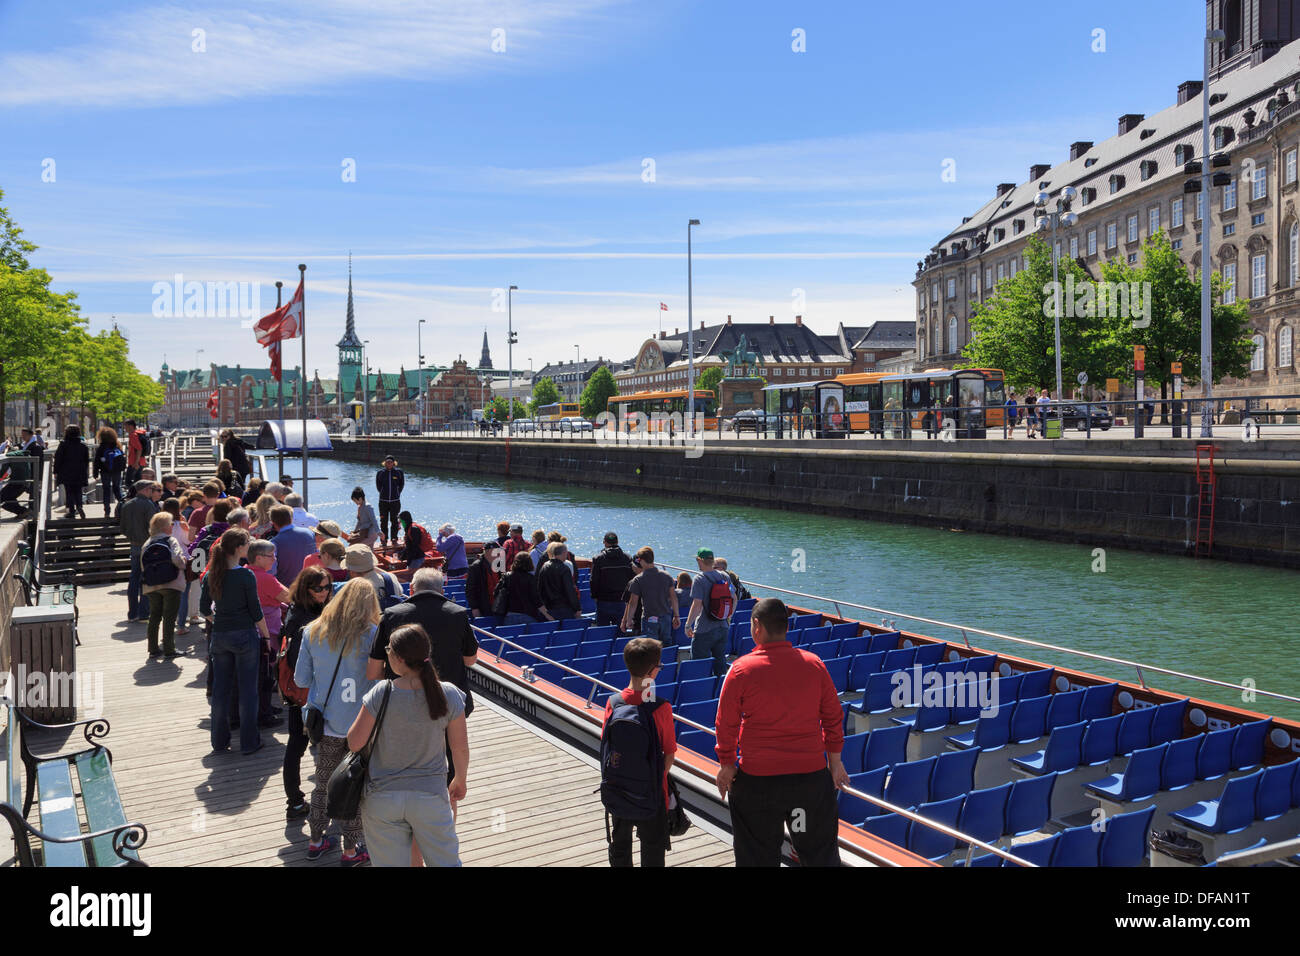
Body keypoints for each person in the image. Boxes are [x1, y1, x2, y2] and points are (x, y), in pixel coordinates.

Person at [714, 597, 846, 867]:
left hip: (758, 783)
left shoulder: (741, 670)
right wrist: (835, 762)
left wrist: (727, 764)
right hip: (809, 783)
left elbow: (725, 724)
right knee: (819, 856)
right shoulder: (814, 665)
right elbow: (833, 717)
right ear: (786, 628)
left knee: (757, 857)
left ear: (756, 626)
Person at [349, 623, 468, 867]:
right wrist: (460, 780)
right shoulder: (449, 693)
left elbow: (354, 742)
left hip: (383, 797)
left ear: (399, 658)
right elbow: (459, 748)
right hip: (431, 796)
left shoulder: (382, 692)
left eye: (388, 649)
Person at [293, 577, 378, 865]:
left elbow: (301, 679)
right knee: (354, 786)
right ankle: (351, 849)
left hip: (326, 723)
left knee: (323, 783)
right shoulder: (373, 634)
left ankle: (316, 840)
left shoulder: (312, 631)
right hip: (361, 726)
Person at [600, 637, 676, 868]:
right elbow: (670, 753)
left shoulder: (613, 703)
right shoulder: (660, 707)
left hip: (618, 789)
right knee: (653, 851)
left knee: (620, 847)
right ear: (652, 672)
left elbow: (605, 743)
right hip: (651, 794)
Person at [201, 528, 274, 756]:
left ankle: (219, 742)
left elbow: (204, 609)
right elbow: (255, 611)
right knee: (247, 690)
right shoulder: (244, 575)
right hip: (244, 635)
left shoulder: (212, 573)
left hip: (220, 635)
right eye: (247, 544)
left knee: (221, 691)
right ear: (239, 548)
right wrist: (267, 636)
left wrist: (220, 619)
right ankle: (249, 742)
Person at [280, 565, 333, 820]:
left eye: (327, 587)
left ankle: (296, 801)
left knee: (299, 747)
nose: (324, 592)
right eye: (318, 588)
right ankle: (297, 802)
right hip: (309, 694)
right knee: (308, 746)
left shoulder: (296, 612)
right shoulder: (306, 621)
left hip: (298, 692)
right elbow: (301, 662)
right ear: (306, 589)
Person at [248, 539, 290, 726]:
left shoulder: (246, 572)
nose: (274, 559)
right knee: (266, 673)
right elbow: (288, 597)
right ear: (258, 558)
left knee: (259, 673)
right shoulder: (265, 578)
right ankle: (264, 713)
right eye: (271, 556)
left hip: (252, 631)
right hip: (267, 631)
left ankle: (262, 708)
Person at [141, 511, 186, 659]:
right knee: (169, 617)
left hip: (151, 585)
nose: (173, 526)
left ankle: (153, 649)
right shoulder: (170, 540)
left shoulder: (147, 543)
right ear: (164, 526)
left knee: (154, 616)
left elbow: (142, 565)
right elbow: (177, 559)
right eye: (171, 523)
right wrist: (184, 564)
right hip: (171, 583)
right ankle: (169, 649)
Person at [685, 547, 731, 677]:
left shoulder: (699, 579)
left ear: (699, 560)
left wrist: (688, 625)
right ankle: (719, 692)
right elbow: (734, 598)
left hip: (704, 629)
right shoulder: (725, 576)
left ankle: (699, 692)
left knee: (699, 666)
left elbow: (697, 605)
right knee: (720, 662)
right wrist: (728, 618)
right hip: (723, 627)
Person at [120, 479, 160, 622]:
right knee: (146, 579)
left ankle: (132, 613)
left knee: (134, 579)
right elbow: (152, 527)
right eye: (150, 489)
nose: (152, 491)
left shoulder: (127, 504)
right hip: (147, 545)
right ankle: (144, 613)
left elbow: (122, 527)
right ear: (144, 489)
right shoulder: (148, 504)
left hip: (133, 544)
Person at [624, 547, 679, 646]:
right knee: (666, 645)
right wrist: (676, 616)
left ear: (642, 561)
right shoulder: (667, 576)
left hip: (649, 619)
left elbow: (633, 603)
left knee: (650, 649)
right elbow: (673, 598)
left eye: (639, 560)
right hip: (666, 618)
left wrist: (629, 620)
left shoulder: (638, 580)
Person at [590, 531, 635, 628]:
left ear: (604, 542)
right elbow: (632, 580)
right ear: (617, 541)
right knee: (621, 630)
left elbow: (594, 580)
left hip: (603, 600)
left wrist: (595, 596)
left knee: (602, 632)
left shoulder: (598, 559)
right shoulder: (627, 558)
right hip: (621, 601)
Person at [497, 552, 552, 626]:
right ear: (529, 563)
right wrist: (549, 616)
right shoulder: (531, 579)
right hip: (528, 616)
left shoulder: (506, 577)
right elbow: (537, 600)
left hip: (510, 615)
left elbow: (496, 593)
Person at [270, 504, 315, 587]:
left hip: (288, 589)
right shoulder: (309, 533)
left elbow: (271, 570)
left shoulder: (274, 543)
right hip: (310, 584)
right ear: (291, 518)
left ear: (273, 523)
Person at [538, 541, 581, 620]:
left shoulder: (544, 567)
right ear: (564, 553)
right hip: (564, 609)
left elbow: (539, 588)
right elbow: (570, 590)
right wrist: (577, 608)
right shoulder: (564, 569)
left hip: (548, 607)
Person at [53, 425, 89, 519]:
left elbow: (58, 458)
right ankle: (79, 506)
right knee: (78, 490)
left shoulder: (63, 444)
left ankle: (71, 511)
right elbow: (86, 460)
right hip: (80, 471)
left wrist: (55, 470)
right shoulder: (83, 445)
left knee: (69, 492)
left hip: (67, 472)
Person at [92, 426, 127, 518]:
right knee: (117, 489)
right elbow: (122, 459)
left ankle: (107, 511)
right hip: (117, 471)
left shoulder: (101, 447)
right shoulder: (117, 446)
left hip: (105, 471)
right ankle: (122, 508)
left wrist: (95, 472)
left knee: (106, 490)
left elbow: (96, 461)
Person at [465, 540, 502, 621]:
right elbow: (470, 590)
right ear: (487, 552)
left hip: (498, 607)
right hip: (484, 607)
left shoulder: (499, 565)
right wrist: (475, 608)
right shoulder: (476, 567)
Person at [376, 456, 404, 544]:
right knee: (383, 521)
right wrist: (384, 493)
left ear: (393, 463)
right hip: (383, 502)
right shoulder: (380, 473)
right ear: (385, 463)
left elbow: (401, 485)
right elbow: (378, 486)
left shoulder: (399, 473)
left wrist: (396, 494)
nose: (389, 463)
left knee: (394, 521)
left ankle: (394, 538)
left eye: (390, 462)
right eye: (387, 462)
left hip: (395, 501)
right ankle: (384, 539)